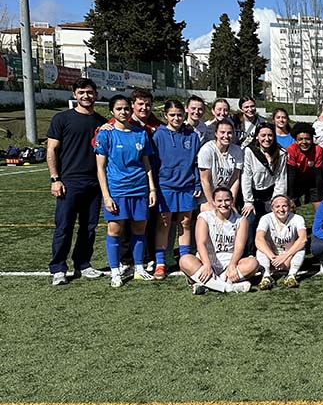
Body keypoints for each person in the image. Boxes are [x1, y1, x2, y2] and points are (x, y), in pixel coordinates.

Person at [46, 78, 108, 285]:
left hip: (94, 183)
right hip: (69, 182)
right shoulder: (62, 119)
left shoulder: (102, 123)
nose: (86, 96)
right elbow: (51, 150)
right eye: (81, 92)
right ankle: (58, 268)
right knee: (64, 226)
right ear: (75, 95)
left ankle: (83, 263)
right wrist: (56, 179)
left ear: (96, 95)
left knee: (89, 227)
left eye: (89, 92)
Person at [94, 95, 157, 287]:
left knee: (139, 229)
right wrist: (106, 195)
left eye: (126, 109)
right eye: (119, 109)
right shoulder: (106, 134)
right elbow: (100, 168)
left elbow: (147, 165)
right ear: (112, 111)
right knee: (115, 230)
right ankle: (115, 271)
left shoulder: (140, 133)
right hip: (117, 190)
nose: (123, 112)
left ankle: (139, 268)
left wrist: (152, 189)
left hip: (139, 189)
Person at [151, 100, 202, 281]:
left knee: (185, 223)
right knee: (164, 224)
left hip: (187, 186)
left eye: (179, 114)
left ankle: (184, 260)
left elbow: (197, 163)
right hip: (165, 187)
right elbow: (153, 164)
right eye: (172, 115)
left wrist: (197, 184)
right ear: (166, 116)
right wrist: (154, 188)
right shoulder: (158, 135)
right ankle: (160, 263)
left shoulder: (192, 135)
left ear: (184, 114)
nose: (176, 118)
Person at [179, 187, 256, 294]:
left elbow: (239, 246)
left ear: (232, 201)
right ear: (214, 202)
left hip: (229, 263)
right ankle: (228, 287)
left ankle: (208, 284)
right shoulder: (204, 217)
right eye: (219, 201)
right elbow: (201, 243)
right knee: (185, 260)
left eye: (227, 200)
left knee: (253, 263)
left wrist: (232, 265)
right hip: (206, 261)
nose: (223, 204)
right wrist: (206, 264)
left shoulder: (241, 220)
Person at [254, 195, 307, 289]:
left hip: (288, 258)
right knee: (261, 246)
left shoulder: (298, 218)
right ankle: (266, 276)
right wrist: (273, 258)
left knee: (300, 247)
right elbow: (258, 239)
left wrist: (285, 256)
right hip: (272, 259)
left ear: (289, 207)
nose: (281, 209)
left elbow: (303, 239)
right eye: (277, 206)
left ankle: (291, 276)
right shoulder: (265, 218)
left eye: (284, 206)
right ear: (272, 208)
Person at [241, 124, 288, 228]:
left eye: (270, 135)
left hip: (270, 193)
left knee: (274, 221)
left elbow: (281, 179)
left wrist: (277, 201)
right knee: (249, 220)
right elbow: (246, 177)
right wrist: (248, 202)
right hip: (252, 193)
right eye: (263, 135)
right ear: (257, 136)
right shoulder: (249, 152)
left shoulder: (281, 153)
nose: (267, 139)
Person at [197, 120, 244, 209]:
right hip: (207, 196)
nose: (226, 136)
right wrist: (212, 204)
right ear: (216, 133)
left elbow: (235, 179)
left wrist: (232, 202)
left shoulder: (237, 151)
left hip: (225, 196)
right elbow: (204, 180)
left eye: (229, 133)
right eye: (222, 132)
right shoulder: (207, 150)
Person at [285, 123, 323, 210]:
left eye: (307, 139)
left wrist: (320, 196)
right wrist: (291, 197)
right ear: (296, 140)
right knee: (291, 207)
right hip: (296, 181)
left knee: (321, 209)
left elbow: (318, 175)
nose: (304, 142)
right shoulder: (291, 149)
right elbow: (291, 175)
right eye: (300, 139)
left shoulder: (318, 149)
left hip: (312, 181)